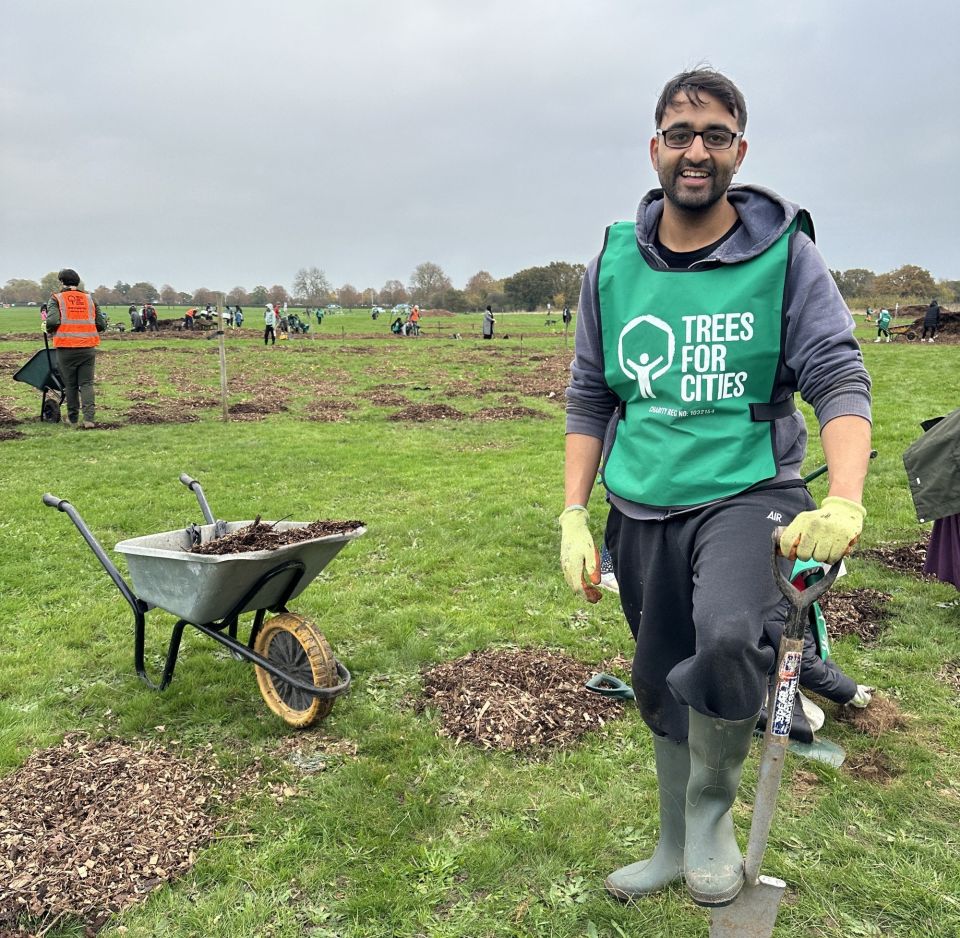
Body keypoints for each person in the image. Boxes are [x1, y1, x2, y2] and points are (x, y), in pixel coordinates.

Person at [560, 68, 872, 908]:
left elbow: (839, 376)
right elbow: (593, 391)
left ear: (740, 149)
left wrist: (843, 495)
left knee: (732, 633)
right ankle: (669, 842)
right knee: (659, 669)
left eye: (716, 135)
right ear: (655, 146)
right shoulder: (614, 263)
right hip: (641, 500)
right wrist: (574, 513)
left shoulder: (785, 257)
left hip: (748, 490)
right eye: (680, 133)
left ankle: (710, 818)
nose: (696, 151)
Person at [45, 268, 106, 428]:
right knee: (87, 384)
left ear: (62, 282)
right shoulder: (90, 299)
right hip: (88, 347)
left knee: (70, 385)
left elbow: (52, 322)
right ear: (77, 282)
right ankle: (89, 420)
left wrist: (48, 328)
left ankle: (73, 419)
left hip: (66, 347)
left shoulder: (56, 299)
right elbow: (101, 324)